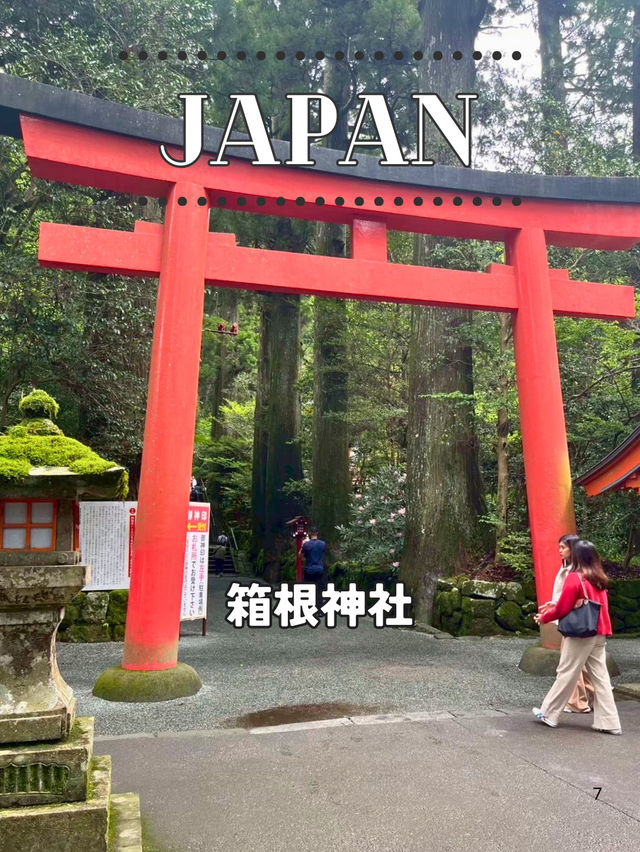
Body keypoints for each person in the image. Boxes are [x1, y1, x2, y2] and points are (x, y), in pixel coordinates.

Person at [533, 540, 621, 734]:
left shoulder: (574, 578)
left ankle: (549, 713)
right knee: (601, 678)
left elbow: (563, 607)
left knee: (566, 672)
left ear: (578, 556)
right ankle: (610, 723)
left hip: (581, 633)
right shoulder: (599, 577)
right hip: (599, 632)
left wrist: (544, 617)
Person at [538, 533, 594, 714]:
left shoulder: (572, 571)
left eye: (563, 547)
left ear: (573, 549)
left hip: (573, 621)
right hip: (580, 620)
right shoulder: (579, 568)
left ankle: (577, 701)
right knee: (583, 663)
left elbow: (569, 599)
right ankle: (592, 697)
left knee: (570, 663)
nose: (559, 551)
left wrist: (548, 615)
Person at [301, 526, 327, 610]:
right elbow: (323, 554)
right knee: (319, 590)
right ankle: (319, 610)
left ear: (310, 533)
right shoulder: (322, 544)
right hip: (319, 569)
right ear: (317, 533)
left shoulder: (306, 544)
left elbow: (300, 556)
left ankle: (307, 608)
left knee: (307, 589)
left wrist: (303, 544)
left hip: (309, 569)